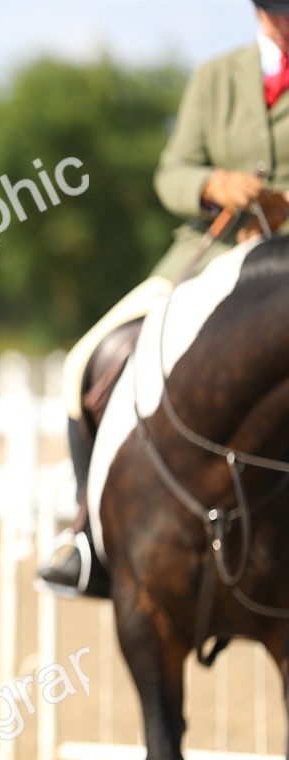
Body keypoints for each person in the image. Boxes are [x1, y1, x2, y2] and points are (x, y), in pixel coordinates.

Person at [38, 0, 289, 597]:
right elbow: (170, 172)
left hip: (281, 269)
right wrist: (211, 183)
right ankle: (86, 535)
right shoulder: (217, 76)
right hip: (206, 256)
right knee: (85, 362)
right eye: (275, 8)